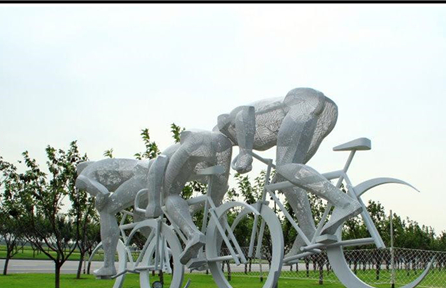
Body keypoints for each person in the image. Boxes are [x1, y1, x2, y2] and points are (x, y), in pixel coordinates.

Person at [215, 87, 361, 255]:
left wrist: (245, 153)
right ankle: (307, 230)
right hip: (318, 108)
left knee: (286, 167)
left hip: (301, 102)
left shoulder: (231, 120)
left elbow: (245, 113)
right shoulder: (244, 132)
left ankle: (344, 203)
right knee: (289, 174)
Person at [145, 129, 232, 264]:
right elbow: (208, 177)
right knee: (216, 204)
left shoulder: (164, 156)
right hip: (222, 145)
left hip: (192, 145)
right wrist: (191, 209)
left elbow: (156, 166)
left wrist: (154, 202)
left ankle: (192, 235)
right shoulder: (196, 164)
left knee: (170, 195)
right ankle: (213, 253)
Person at [75, 158, 153, 277]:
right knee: (140, 220)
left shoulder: (83, 176)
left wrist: (98, 205)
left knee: (106, 211)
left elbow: (102, 193)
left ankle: (108, 266)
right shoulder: (100, 166)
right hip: (149, 173)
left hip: (139, 177)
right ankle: (163, 249)